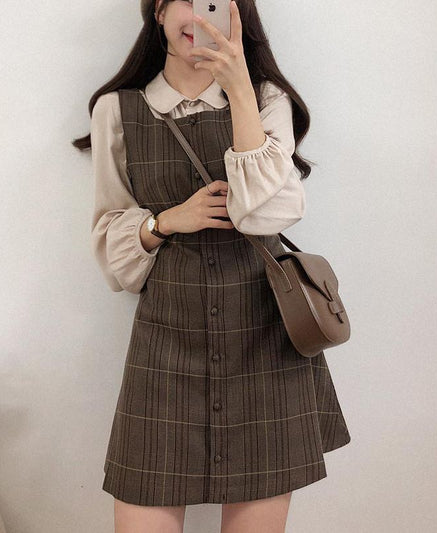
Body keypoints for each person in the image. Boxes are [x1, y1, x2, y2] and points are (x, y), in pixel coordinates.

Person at [73, 1, 351, 531]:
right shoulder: (117, 109)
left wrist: (240, 89)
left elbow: (267, 214)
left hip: (266, 340)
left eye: (215, 2)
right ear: (158, 11)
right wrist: (166, 221)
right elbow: (113, 255)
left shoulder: (268, 100)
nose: (199, 16)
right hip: (165, 344)